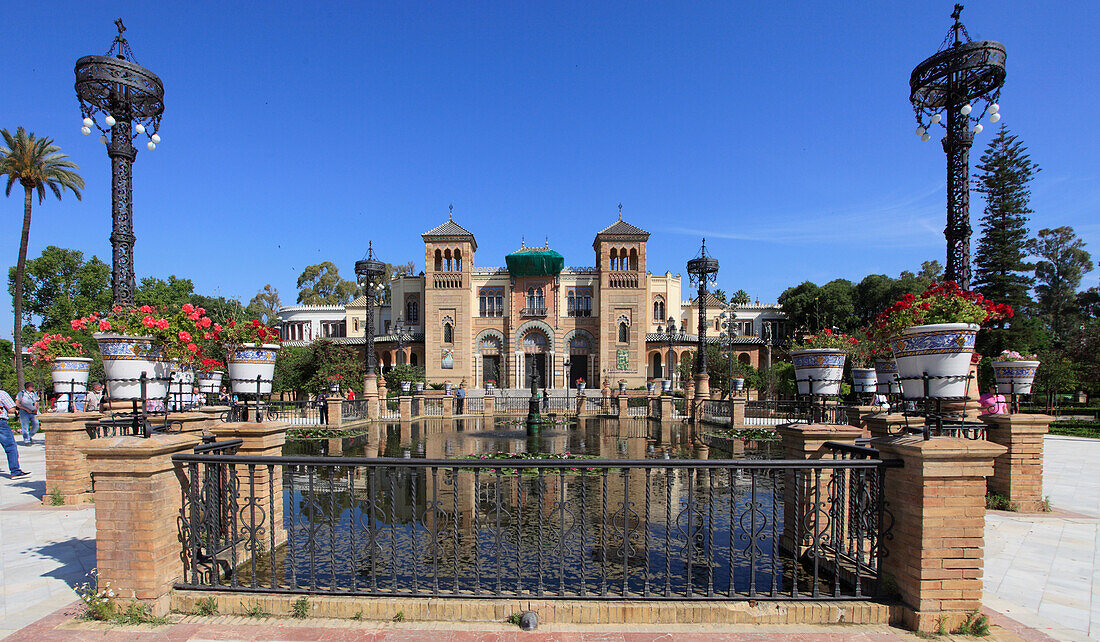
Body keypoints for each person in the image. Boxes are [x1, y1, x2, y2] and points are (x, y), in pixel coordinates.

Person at [0, 388, 30, 478]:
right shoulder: (2, 394)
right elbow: (11, 409)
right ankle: (15, 471)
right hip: (1, 423)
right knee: (10, 447)